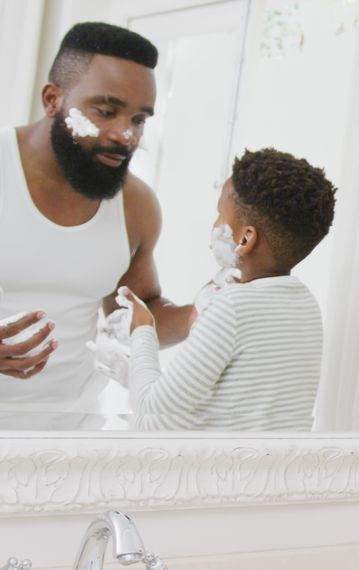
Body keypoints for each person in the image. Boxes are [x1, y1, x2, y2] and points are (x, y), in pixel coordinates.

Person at [0, 22, 193, 429]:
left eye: (139, 119)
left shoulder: (136, 206)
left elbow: (141, 313)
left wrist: (212, 313)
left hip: (72, 442)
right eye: (105, 112)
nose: (125, 135)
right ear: (53, 99)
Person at [122, 148, 336, 431]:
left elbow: (153, 408)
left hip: (217, 473)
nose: (214, 224)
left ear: (246, 238)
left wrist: (143, 329)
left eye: (219, 214)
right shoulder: (306, 306)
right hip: (272, 471)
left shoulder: (232, 306)